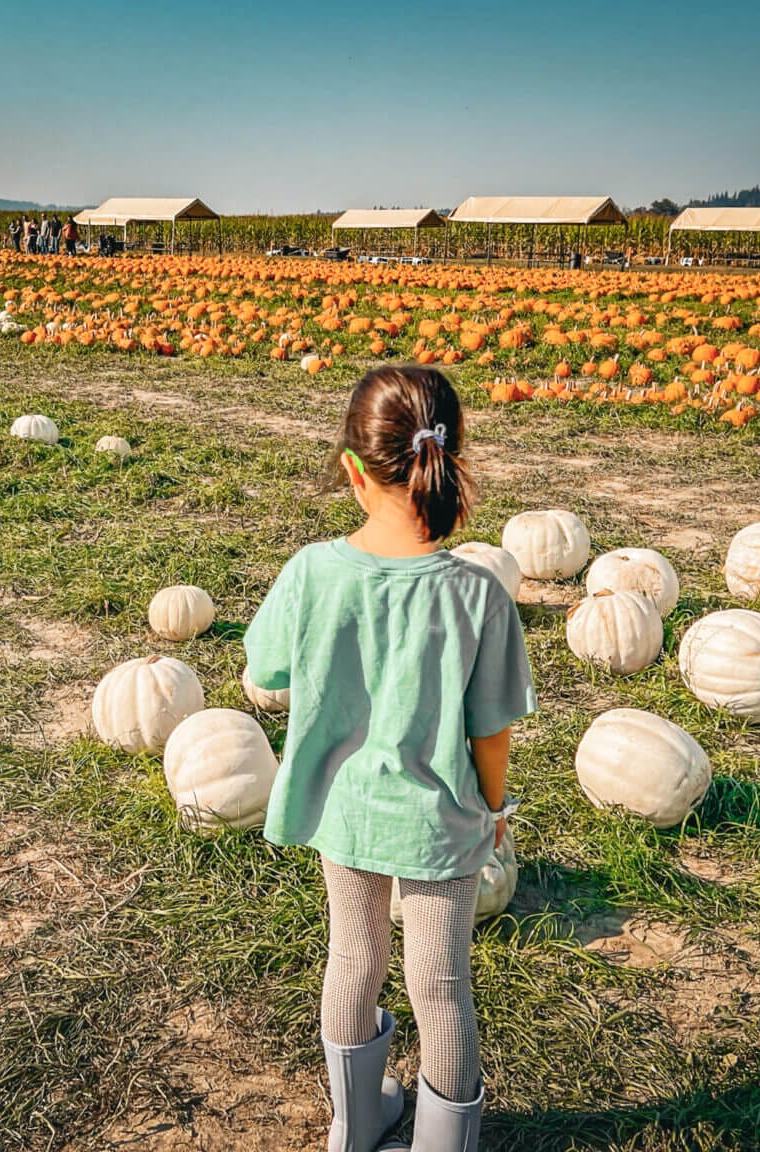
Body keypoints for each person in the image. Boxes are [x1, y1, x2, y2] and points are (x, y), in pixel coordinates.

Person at [244, 366, 536, 1152]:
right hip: (440, 822)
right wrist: (496, 809)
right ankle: (446, 1144)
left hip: (344, 812)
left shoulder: (311, 572)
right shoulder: (479, 595)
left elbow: (264, 670)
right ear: (450, 459)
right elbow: (492, 733)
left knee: (354, 958)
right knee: (440, 986)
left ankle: (356, 1125)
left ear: (351, 469)